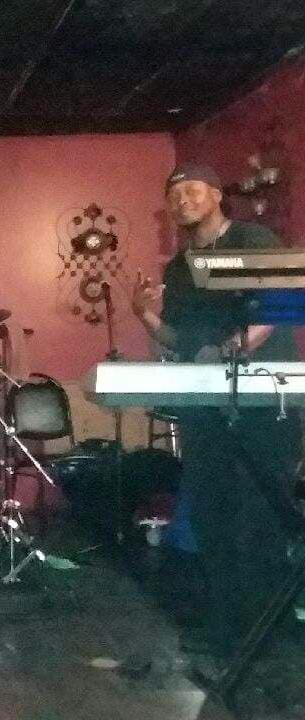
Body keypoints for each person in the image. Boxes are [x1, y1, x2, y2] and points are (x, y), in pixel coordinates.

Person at [132, 162, 302, 678]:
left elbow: (281, 304)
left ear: (217, 195)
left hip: (261, 406)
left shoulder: (252, 239)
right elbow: (179, 341)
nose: (182, 199)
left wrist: (235, 348)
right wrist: (145, 315)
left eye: (192, 190)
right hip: (205, 406)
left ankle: (266, 635)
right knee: (212, 516)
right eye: (174, 194)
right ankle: (228, 630)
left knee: (259, 518)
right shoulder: (179, 268)